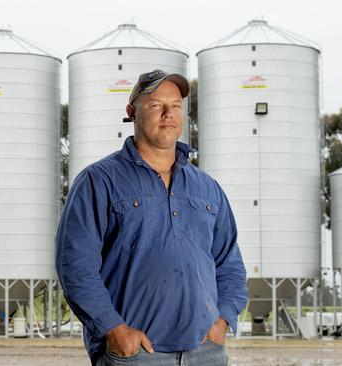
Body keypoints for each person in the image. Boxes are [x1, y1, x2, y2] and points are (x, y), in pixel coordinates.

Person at [55, 70, 248, 365]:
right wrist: (113, 330)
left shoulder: (207, 187)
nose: (168, 113)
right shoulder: (99, 181)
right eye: (156, 104)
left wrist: (222, 321)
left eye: (176, 105)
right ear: (132, 111)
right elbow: (76, 266)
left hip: (205, 351)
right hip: (137, 353)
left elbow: (229, 265)